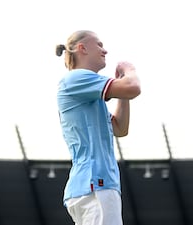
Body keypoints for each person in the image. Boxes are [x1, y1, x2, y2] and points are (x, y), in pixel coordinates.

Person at [55, 30, 141, 225]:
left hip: (90, 185)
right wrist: (129, 70)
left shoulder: (83, 89)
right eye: (99, 45)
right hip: (96, 183)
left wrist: (121, 92)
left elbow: (120, 128)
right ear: (82, 48)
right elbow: (133, 88)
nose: (105, 50)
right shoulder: (77, 78)